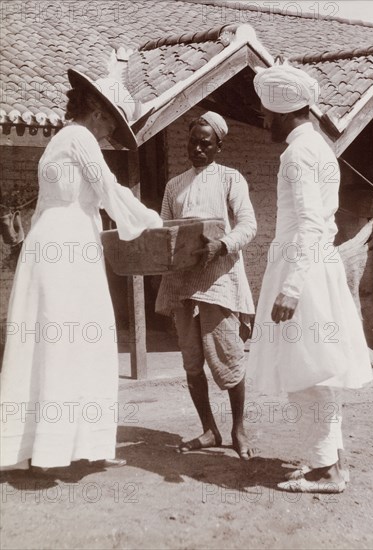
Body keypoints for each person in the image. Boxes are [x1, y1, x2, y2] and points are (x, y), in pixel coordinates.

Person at [0, 69, 162, 472]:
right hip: (67, 247)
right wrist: (151, 222)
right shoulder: (79, 138)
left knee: (59, 341)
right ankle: (55, 447)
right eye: (109, 120)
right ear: (94, 112)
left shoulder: (59, 140)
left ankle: (53, 446)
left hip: (54, 244)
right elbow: (109, 189)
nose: (109, 130)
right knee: (73, 339)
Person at [249, 64, 373, 492]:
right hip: (315, 264)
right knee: (318, 368)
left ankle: (326, 471)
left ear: (284, 114)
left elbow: (310, 224)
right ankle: (332, 461)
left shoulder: (298, 152)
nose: (265, 120)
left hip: (303, 266)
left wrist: (292, 286)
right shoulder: (319, 147)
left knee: (306, 370)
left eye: (268, 114)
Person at [155, 112, 258, 459]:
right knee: (191, 362)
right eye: (192, 142)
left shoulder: (231, 179)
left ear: (218, 146)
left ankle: (238, 429)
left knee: (228, 359)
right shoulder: (174, 185)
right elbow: (164, 231)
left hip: (219, 281)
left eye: (206, 143)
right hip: (183, 284)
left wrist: (222, 245)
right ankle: (209, 430)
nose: (197, 148)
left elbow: (248, 225)